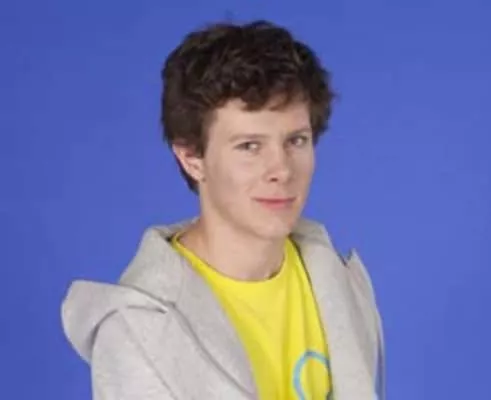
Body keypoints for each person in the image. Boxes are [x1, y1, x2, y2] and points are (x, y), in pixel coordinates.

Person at [61, 19, 385, 400]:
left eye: (296, 140)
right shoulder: (139, 332)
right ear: (191, 158)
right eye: (249, 146)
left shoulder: (340, 282)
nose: (281, 170)